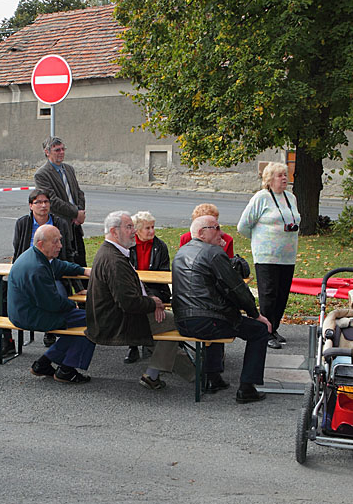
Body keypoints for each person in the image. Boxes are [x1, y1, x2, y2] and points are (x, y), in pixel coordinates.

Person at [86, 211, 192, 390]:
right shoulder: (114, 260)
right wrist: (154, 303)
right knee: (176, 324)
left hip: (120, 314)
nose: (133, 231)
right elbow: (128, 303)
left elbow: (135, 287)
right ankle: (190, 376)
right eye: (129, 227)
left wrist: (151, 299)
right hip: (118, 322)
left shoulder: (113, 252)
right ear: (114, 231)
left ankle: (168, 374)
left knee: (166, 331)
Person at [173, 215, 272, 403]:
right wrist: (255, 314)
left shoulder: (181, 252)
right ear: (201, 233)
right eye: (216, 228)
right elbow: (237, 288)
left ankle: (213, 378)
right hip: (206, 321)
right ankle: (247, 388)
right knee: (259, 331)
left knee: (218, 318)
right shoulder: (214, 253)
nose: (222, 232)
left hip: (183, 321)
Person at [8, 224, 95, 383]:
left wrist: (83, 270)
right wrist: (73, 305)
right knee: (93, 322)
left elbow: (60, 266)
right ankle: (67, 370)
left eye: (60, 240)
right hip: (30, 316)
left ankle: (44, 363)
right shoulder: (36, 268)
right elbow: (52, 304)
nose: (60, 245)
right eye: (55, 242)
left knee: (84, 321)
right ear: (41, 244)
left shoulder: (36, 256)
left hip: (25, 311)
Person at [0, 190, 75, 358]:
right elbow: (18, 250)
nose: (43, 205)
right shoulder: (23, 223)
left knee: (57, 293)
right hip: (28, 270)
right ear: (31, 206)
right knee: (0, 290)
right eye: (38, 202)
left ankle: (52, 330)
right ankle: (6, 340)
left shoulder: (60, 223)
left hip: (53, 271)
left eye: (46, 202)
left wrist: (78, 285)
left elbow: (68, 252)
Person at [237, 161, 300, 350]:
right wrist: (259, 240)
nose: (284, 178)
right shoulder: (261, 198)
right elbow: (243, 226)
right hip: (266, 256)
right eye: (280, 175)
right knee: (268, 294)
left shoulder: (291, 197)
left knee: (282, 294)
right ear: (269, 179)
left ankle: (274, 327)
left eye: (285, 175)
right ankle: (265, 331)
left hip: (287, 256)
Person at [124, 210, 171, 364]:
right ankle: (134, 345)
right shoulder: (128, 246)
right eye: (147, 228)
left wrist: (150, 294)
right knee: (132, 302)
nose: (152, 231)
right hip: (134, 288)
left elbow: (164, 273)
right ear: (137, 230)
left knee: (144, 302)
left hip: (156, 288)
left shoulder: (160, 246)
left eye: (153, 227)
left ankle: (146, 340)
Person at [34, 136, 86, 267]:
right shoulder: (42, 174)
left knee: (81, 263)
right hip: (60, 227)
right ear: (47, 152)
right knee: (66, 264)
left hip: (76, 226)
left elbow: (78, 193)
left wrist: (80, 212)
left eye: (63, 149)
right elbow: (52, 201)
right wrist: (75, 213)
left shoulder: (69, 169)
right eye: (57, 150)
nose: (61, 152)